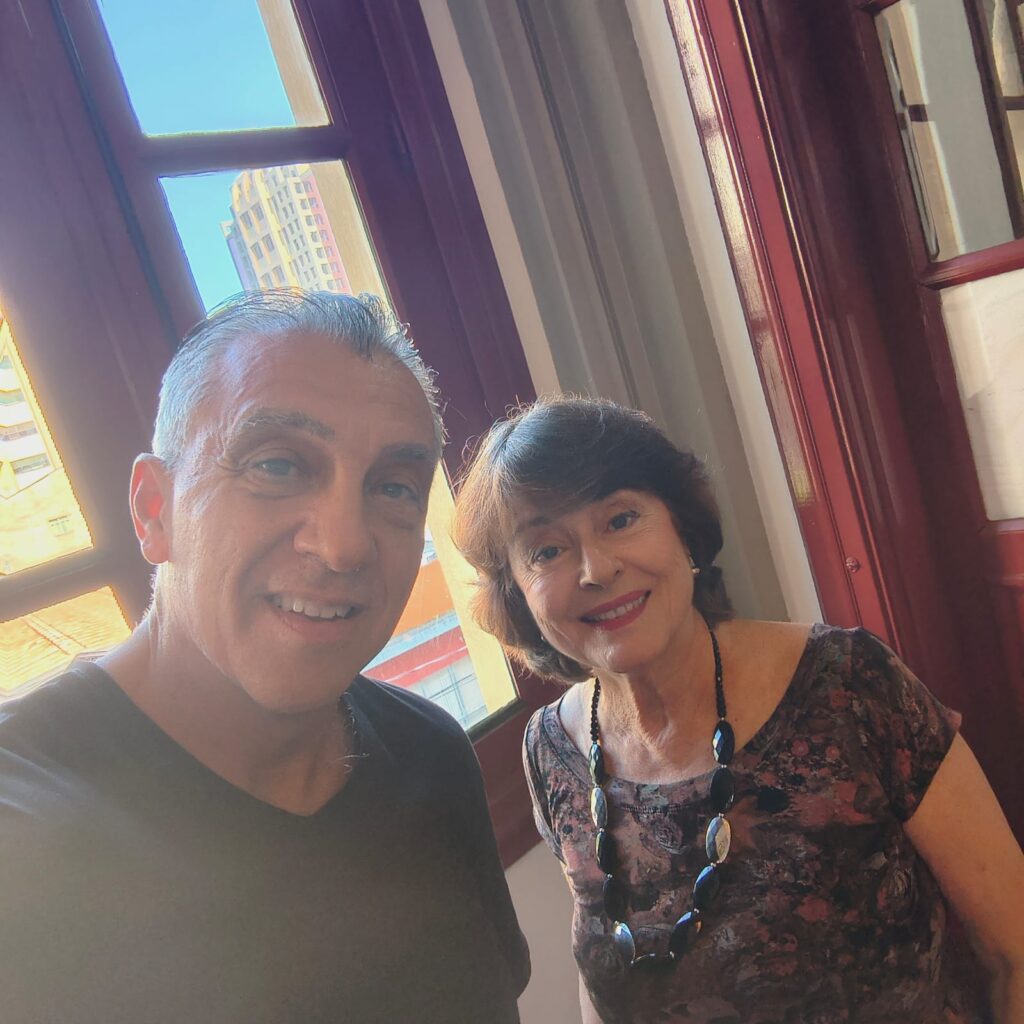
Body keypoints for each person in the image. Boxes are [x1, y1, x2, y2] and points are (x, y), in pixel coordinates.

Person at [0, 290, 529, 1023]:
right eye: (277, 466)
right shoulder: (22, 835)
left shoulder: (430, 753)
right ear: (155, 511)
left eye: (394, 487)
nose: (344, 545)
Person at [452, 394, 1023, 1023]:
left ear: (682, 528)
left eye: (620, 519)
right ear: (517, 594)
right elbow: (601, 967)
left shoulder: (850, 685)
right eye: (546, 551)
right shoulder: (551, 751)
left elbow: (1014, 950)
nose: (597, 569)